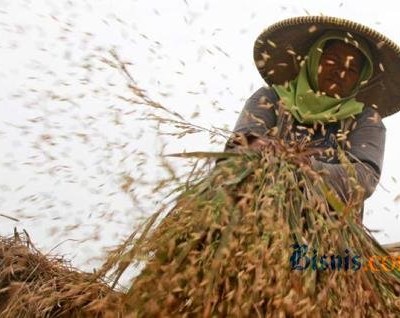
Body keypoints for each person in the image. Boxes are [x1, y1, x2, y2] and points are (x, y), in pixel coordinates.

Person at [222, 16, 400, 222]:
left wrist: (308, 167)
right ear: (314, 60)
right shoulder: (269, 98)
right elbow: (238, 146)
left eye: (352, 70)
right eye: (333, 59)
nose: (340, 72)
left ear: (360, 79)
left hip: (328, 234)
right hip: (253, 218)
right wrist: (266, 149)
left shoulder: (366, 120)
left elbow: (364, 178)